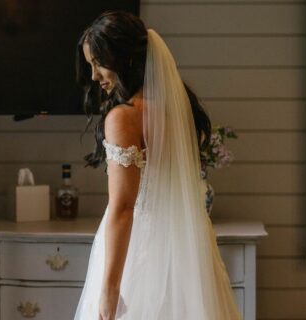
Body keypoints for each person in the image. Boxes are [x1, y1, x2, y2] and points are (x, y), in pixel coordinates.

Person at [74, 11, 242, 320]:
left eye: (98, 64)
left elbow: (123, 207)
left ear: (123, 59)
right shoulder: (174, 111)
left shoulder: (123, 117)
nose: (95, 76)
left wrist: (110, 290)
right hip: (187, 251)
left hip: (142, 253)